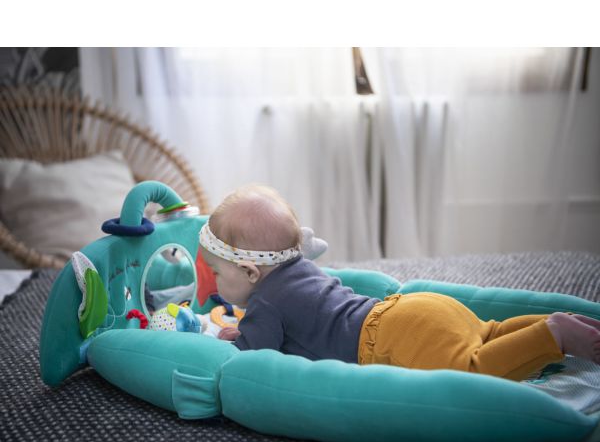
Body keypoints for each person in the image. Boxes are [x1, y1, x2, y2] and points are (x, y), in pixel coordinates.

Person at [198, 184, 600, 381]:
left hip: (390, 340)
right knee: (488, 331)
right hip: (409, 309)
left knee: (470, 368)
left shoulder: (265, 303)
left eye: (217, 272)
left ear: (251, 272)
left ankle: (553, 335)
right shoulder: (300, 267)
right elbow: (296, 325)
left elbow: (251, 360)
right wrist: (247, 331)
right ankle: (553, 321)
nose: (215, 283)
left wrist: (233, 340)